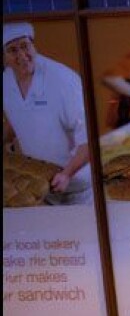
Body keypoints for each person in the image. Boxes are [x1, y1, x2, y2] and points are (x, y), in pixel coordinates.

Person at [3, 22, 92, 205]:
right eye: (12, 50)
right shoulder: (6, 81)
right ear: (4, 57)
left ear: (33, 45)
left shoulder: (63, 81)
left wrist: (67, 174)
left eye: (25, 46)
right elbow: (18, 116)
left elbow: (88, 137)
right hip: (38, 185)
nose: (22, 56)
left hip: (76, 187)